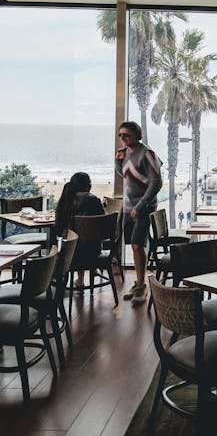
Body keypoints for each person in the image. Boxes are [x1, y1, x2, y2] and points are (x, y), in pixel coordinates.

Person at [115, 121, 163, 306]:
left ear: (137, 135)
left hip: (144, 207)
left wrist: (141, 205)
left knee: (137, 244)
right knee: (133, 245)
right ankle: (138, 283)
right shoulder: (125, 154)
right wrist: (118, 161)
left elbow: (156, 182)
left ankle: (142, 285)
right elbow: (126, 175)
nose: (123, 138)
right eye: (120, 135)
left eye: (126, 135)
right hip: (129, 206)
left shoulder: (147, 154)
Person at [55, 171, 105, 289]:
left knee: (76, 242)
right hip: (93, 252)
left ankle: (78, 280)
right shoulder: (94, 200)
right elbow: (103, 227)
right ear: (88, 185)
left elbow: (59, 230)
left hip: (71, 254)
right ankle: (90, 271)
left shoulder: (67, 201)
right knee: (86, 241)